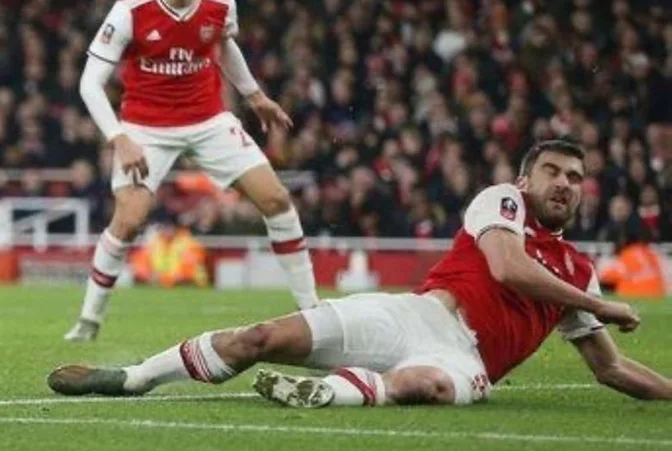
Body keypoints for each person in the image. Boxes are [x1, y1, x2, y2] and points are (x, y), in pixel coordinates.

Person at [49, 140, 672, 406]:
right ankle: (132, 378)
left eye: (574, 178)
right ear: (525, 179)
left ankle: (330, 392)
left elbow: (610, 368)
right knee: (260, 339)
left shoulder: (580, 272)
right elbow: (508, 268)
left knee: (421, 385)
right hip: (417, 313)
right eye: (553, 173)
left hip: (468, 363)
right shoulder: (500, 203)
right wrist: (608, 306)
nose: (563, 185)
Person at [65, 0, 318, 341]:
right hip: (144, 127)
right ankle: (88, 321)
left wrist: (254, 95)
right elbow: (89, 84)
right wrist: (118, 138)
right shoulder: (130, 13)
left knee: (277, 199)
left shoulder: (220, 7)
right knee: (129, 219)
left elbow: (223, 47)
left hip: (208, 121)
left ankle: (314, 313)